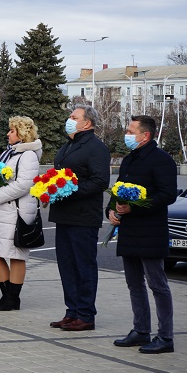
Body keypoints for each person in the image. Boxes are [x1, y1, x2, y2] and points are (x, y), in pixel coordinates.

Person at [109, 116, 177, 354]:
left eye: (130, 131)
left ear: (144, 135)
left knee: (157, 284)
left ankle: (166, 336)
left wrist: (134, 207)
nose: (126, 134)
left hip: (150, 230)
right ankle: (141, 330)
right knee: (134, 283)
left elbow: (168, 194)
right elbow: (117, 189)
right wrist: (111, 210)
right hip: (129, 230)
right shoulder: (129, 159)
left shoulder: (162, 160)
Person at [49, 106, 111, 331]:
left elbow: (99, 181)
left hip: (83, 217)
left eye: (74, 117)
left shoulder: (95, 147)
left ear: (87, 123)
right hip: (64, 215)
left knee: (83, 266)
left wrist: (69, 191)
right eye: (69, 117)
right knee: (67, 266)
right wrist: (48, 188)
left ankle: (86, 315)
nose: (69, 120)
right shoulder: (69, 144)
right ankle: (72, 311)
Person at [0, 116, 43, 311]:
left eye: (12, 131)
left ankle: (13, 298)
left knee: (16, 254)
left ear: (22, 134)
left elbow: (24, 184)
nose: (8, 134)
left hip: (15, 211)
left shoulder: (28, 155)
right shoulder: (9, 153)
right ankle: (6, 294)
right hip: (0, 210)